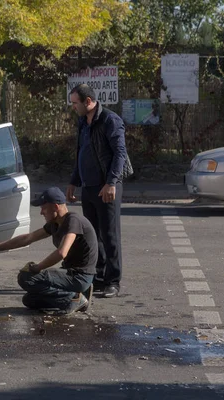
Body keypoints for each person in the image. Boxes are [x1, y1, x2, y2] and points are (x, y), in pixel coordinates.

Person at [0, 187, 98, 314]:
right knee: (30, 300)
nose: (41, 212)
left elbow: (61, 252)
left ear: (55, 207)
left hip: (79, 276)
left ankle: (74, 297)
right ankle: (74, 295)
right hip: (71, 274)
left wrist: (37, 268)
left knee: (26, 278)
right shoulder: (55, 223)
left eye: (44, 208)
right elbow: (28, 238)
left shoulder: (73, 221)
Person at [66, 83, 131, 298]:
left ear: (88, 101)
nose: (73, 107)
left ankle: (113, 280)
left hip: (107, 187)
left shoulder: (110, 120)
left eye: (76, 103)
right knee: (93, 235)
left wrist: (111, 182)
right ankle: (99, 276)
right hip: (89, 186)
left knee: (110, 235)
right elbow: (80, 153)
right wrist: (73, 181)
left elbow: (119, 154)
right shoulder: (83, 122)